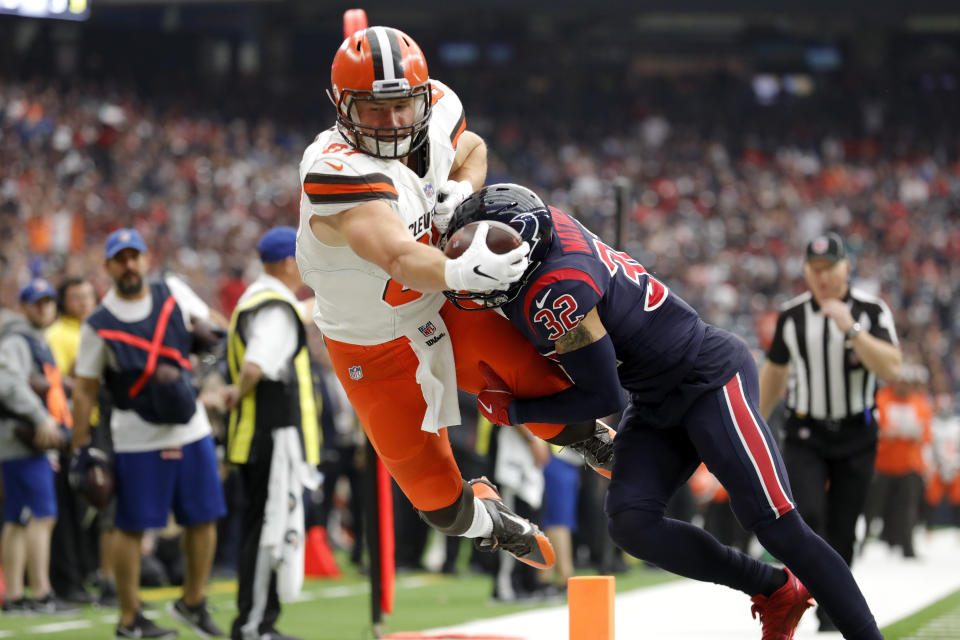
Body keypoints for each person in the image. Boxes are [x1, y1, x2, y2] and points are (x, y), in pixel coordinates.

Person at [441, 183, 885, 640]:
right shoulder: (536, 223)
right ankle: (774, 589)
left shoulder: (556, 293)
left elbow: (601, 398)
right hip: (654, 398)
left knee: (777, 525)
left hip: (706, 377)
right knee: (631, 522)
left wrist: (513, 410)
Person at [295, 26, 608, 570]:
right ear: (341, 108)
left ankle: (602, 443)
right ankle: (491, 520)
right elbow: (395, 255)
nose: (392, 122)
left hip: (438, 306)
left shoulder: (438, 108)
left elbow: (473, 148)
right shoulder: (334, 168)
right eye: (373, 110)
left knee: (546, 392)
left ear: (421, 95)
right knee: (437, 501)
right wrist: (459, 269)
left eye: (401, 105)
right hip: (370, 341)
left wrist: (461, 191)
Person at [69, 228, 227, 639]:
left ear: (146, 258)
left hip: (189, 425)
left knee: (205, 515)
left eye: (134, 256)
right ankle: (129, 617)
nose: (128, 265)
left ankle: (192, 601)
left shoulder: (171, 290)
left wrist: (209, 340)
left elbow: (213, 326)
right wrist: (81, 449)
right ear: (107, 267)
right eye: (119, 259)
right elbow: (84, 390)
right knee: (131, 526)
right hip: (136, 435)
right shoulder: (97, 324)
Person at [758, 231, 901, 631]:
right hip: (806, 432)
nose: (821, 277)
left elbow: (891, 367)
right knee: (807, 517)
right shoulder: (792, 315)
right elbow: (774, 373)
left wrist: (853, 330)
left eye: (829, 268)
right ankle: (800, 596)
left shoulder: (871, 311)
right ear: (805, 270)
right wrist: (754, 422)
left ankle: (832, 609)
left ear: (846, 268)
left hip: (857, 433)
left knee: (843, 525)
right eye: (814, 269)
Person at [222, 226, 320, 640]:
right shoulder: (275, 308)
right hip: (272, 434)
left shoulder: (261, 299)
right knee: (267, 531)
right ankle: (253, 625)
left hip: (260, 433)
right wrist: (235, 393)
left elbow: (301, 315)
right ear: (286, 263)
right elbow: (256, 365)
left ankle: (261, 620)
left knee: (266, 527)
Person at [0, 279, 78, 615]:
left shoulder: (36, 340)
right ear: (24, 306)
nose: (44, 308)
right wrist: (40, 418)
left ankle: (15, 595)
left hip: (25, 439)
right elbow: (7, 383)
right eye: (37, 302)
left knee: (19, 518)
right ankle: (42, 593)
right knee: (41, 517)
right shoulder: (17, 339)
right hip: (22, 438)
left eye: (48, 302)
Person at [45, 276, 102, 605]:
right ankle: (70, 579)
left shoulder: (96, 329)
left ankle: (90, 571)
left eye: (87, 296)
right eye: (75, 297)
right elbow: (55, 382)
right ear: (63, 302)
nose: (82, 303)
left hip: (100, 424)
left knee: (95, 505)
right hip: (71, 428)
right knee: (69, 506)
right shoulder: (58, 334)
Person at [870, 364, 931, 558]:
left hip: (909, 464)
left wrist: (899, 433)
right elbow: (879, 429)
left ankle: (907, 546)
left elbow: (924, 432)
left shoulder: (918, 402)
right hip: (883, 465)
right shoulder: (882, 399)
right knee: (874, 507)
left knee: (907, 508)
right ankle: (864, 542)